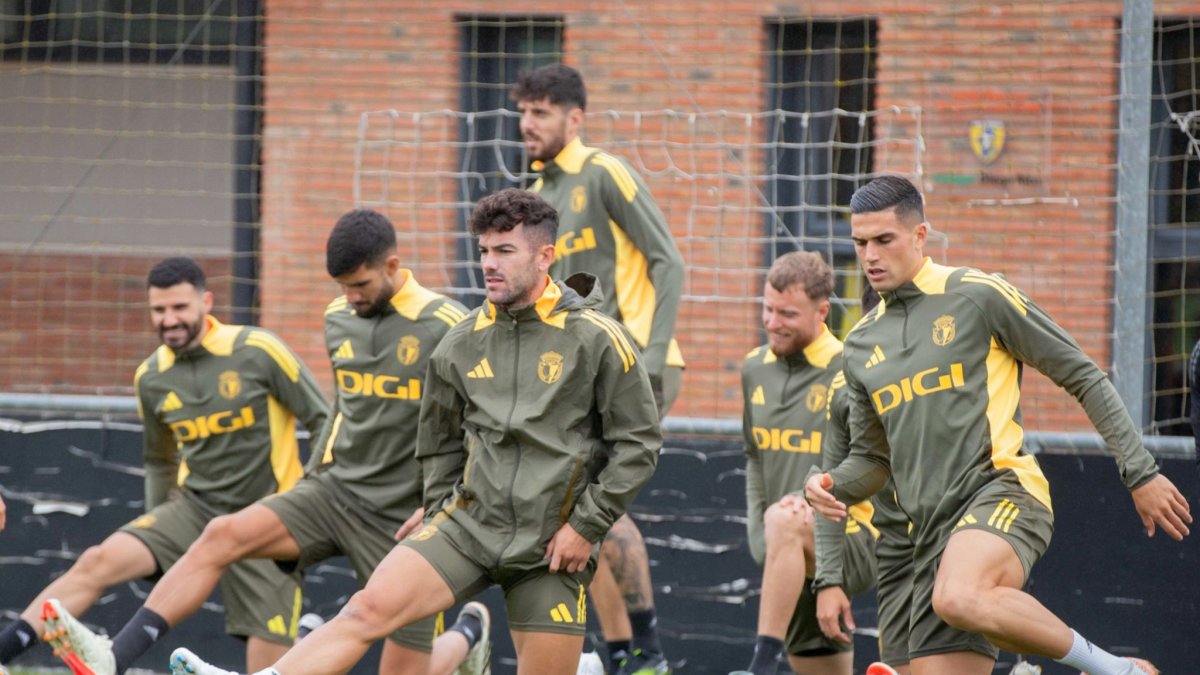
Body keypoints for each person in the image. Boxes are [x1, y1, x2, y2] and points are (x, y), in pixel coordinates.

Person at [168, 188, 663, 675]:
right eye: (484, 251)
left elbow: (638, 444)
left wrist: (585, 527)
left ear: (544, 256)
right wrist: (439, 506)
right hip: (468, 528)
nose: (489, 264)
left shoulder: (598, 338)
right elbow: (440, 443)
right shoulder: (460, 342)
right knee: (364, 610)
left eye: (505, 251)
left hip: (550, 548)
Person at [39, 211, 491, 675]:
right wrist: (313, 476)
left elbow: (484, 425)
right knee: (220, 535)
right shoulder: (338, 317)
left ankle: (468, 635)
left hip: (401, 519)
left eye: (360, 285)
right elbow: (341, 408)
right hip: (333, 493)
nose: (351, 297)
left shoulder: (448, 324)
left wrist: (441, 503)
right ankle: (115, 657)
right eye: (342, 287)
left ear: (392, 266)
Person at [805, 175, 1192, 675]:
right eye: (860, 243)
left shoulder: (976, 295)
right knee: (949, 610)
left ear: (920, 236)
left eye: (884, 240)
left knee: (959, 594)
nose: (870, 256)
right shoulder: (859, 344)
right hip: (928, 539)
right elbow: (873, 461)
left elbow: (1082, 374)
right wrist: (829, 483)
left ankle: (1117, 671)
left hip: (1002, 491)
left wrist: (1139, 472)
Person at [0, 257, 329, 674]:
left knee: (268, 664)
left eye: (179, 307)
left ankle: (306, 638)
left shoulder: (258, 350)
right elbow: (159, 460)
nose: (169, 319)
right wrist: (158, 534)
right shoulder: (152, 376)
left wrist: (306, 500)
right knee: (98, 560)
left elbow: (324, 419)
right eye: (158, 310)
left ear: (206, 302)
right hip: (194, 509)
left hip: (265, 517)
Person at [515, 62, 683, 675]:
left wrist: (653, 356)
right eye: (523, 112)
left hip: (634, 363)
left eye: (541, 112)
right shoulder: (537, 194)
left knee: (595, 503)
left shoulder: (604, 171)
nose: (527, 123)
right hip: (575, 378)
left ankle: (646, 652)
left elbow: (669, 261)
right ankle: (623, 655)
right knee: (575, 509)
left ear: (575, 118)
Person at [732, 252, 877, 675]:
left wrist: (795, 506)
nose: (772, 322)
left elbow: (867, 462)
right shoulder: (754, 368)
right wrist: (760, 529)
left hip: (852, 538)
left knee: (785, 519)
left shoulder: (850, 368)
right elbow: (754, 456)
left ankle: (760, 666)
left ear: (822, 312)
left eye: (787, 314)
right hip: (786, 544)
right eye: (768, 309)